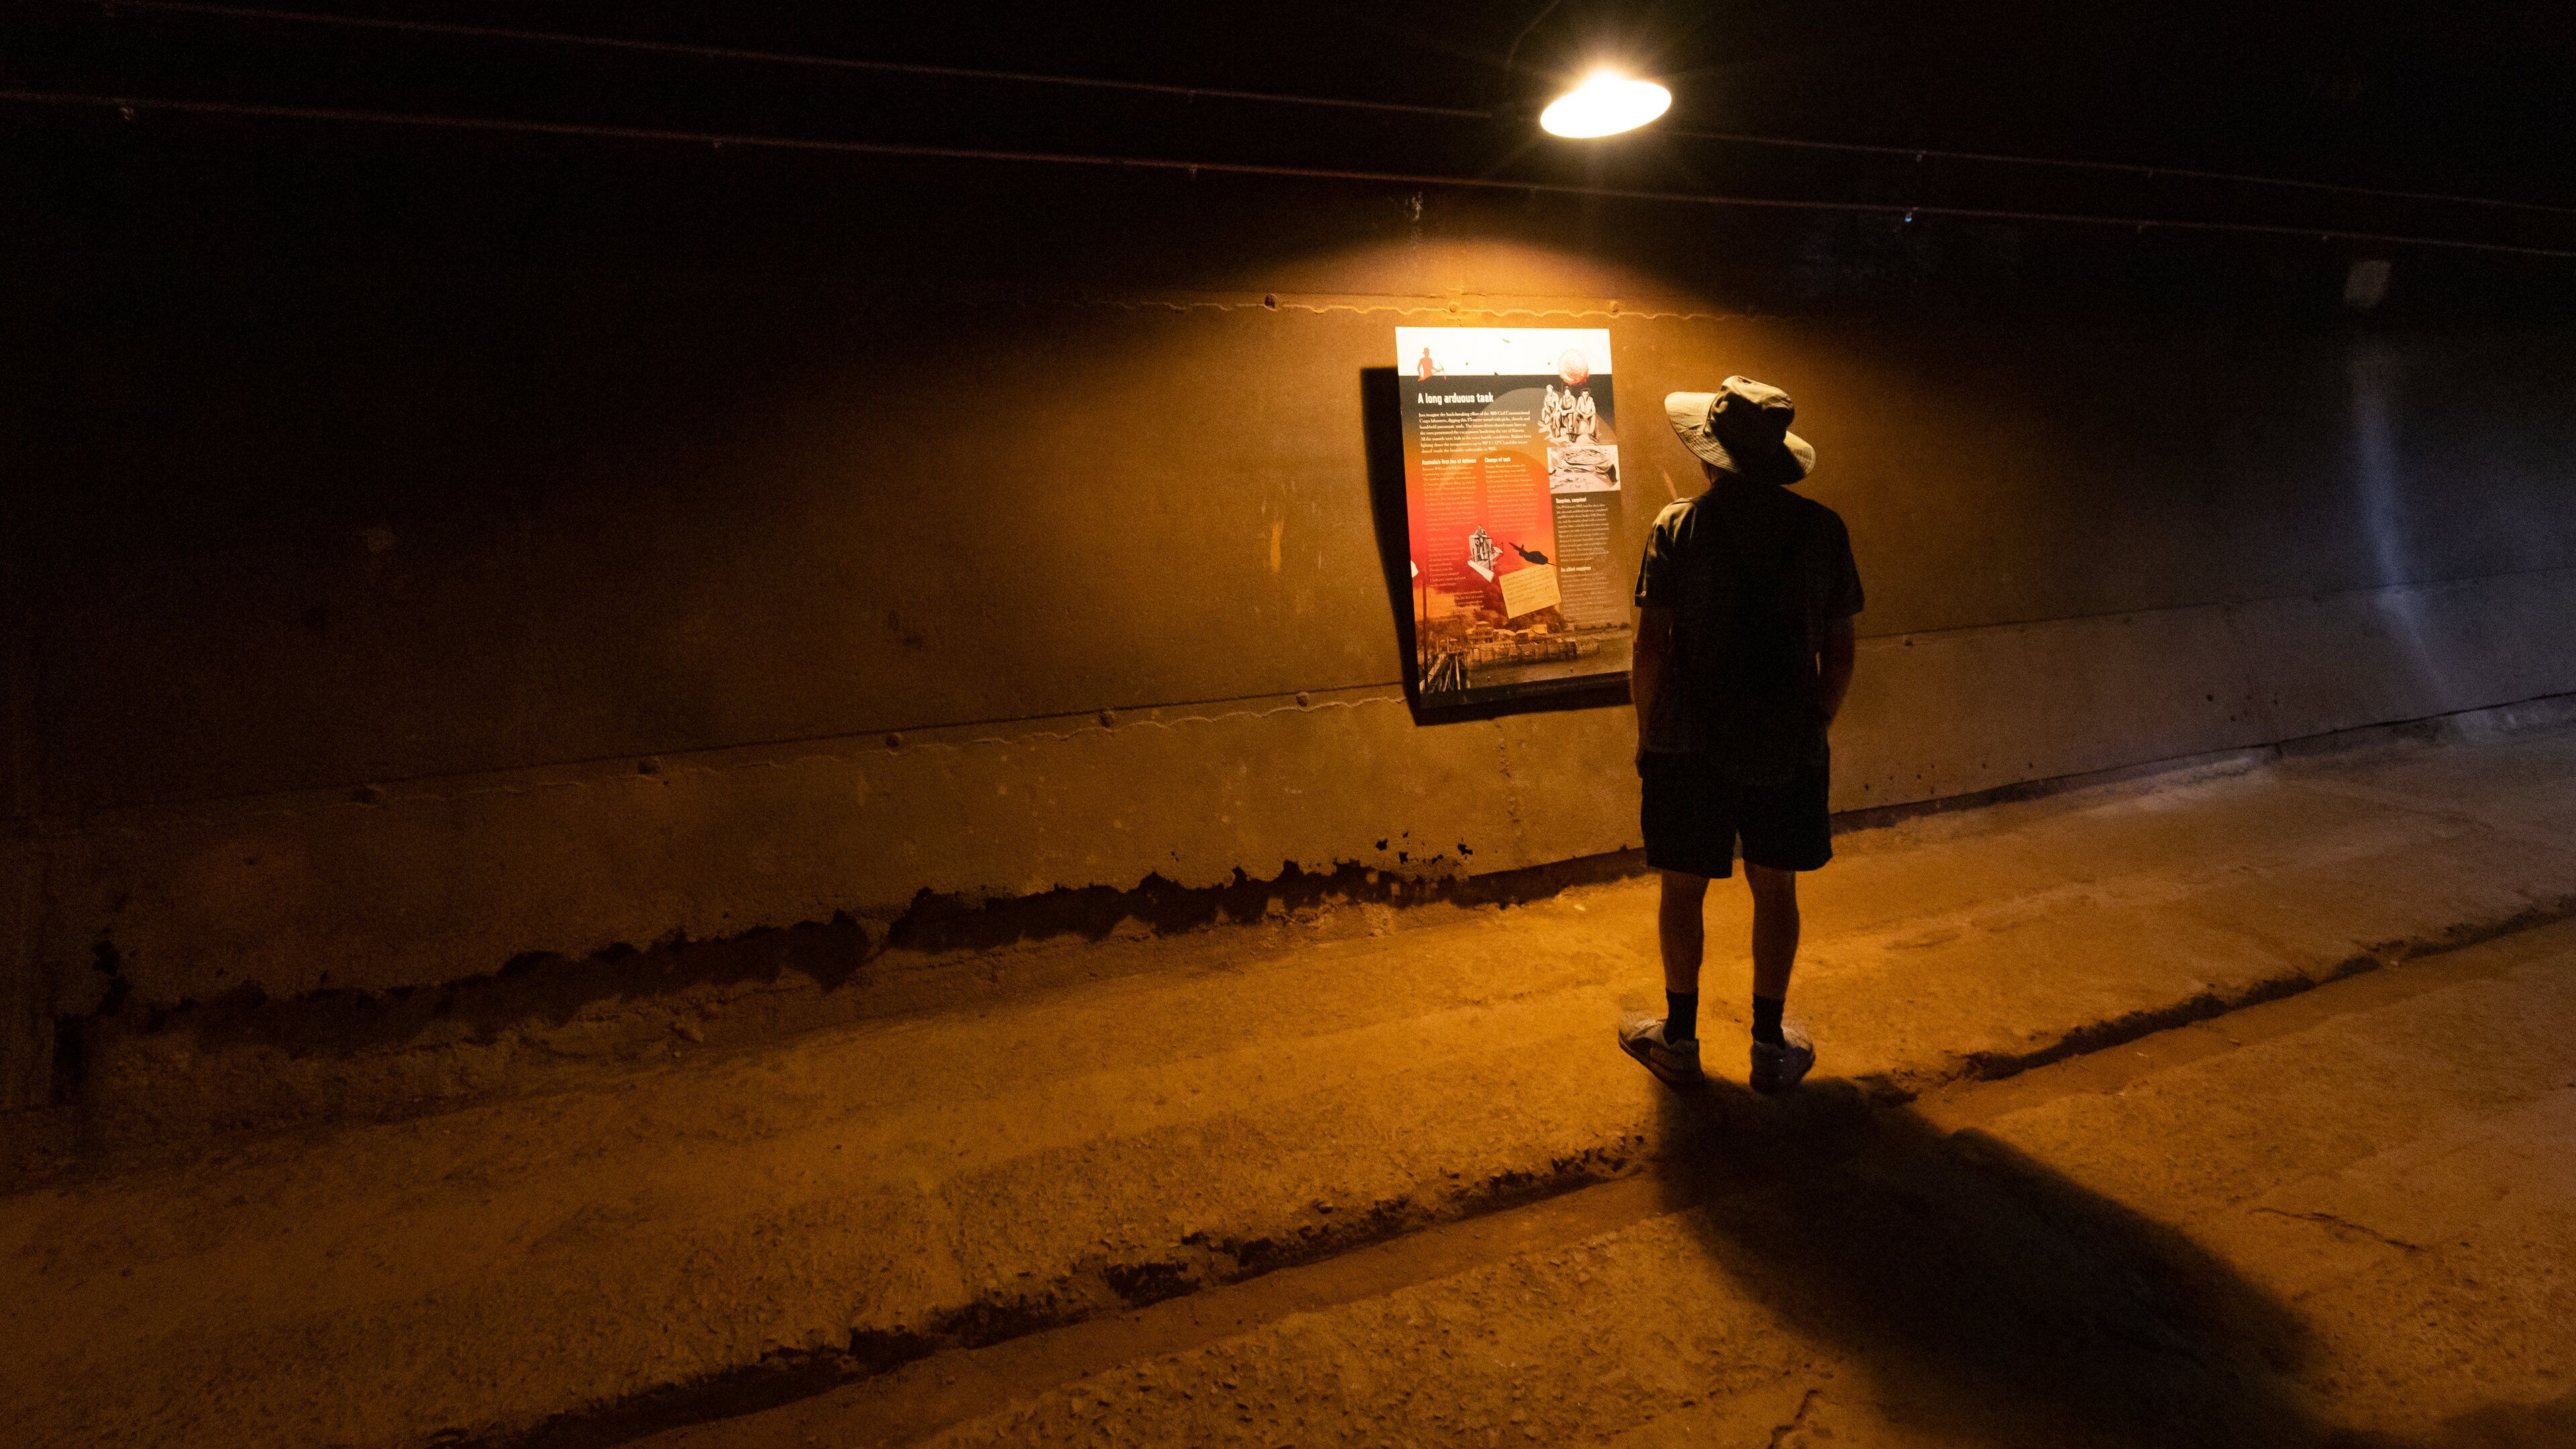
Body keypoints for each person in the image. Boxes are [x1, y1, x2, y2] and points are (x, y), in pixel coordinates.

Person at [1618, 376, 1861, 1092]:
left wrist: (1647, 730)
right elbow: (1840, 651)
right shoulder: (1823, 530)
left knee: (1684, 888)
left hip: (1687, 739)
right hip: (1787, 741)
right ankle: (1767, 1045)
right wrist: (1814, 724)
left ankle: (1681, 1040)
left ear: (1711, 457)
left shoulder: (1677, 527)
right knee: (1775, 888)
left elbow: (1651, 646)